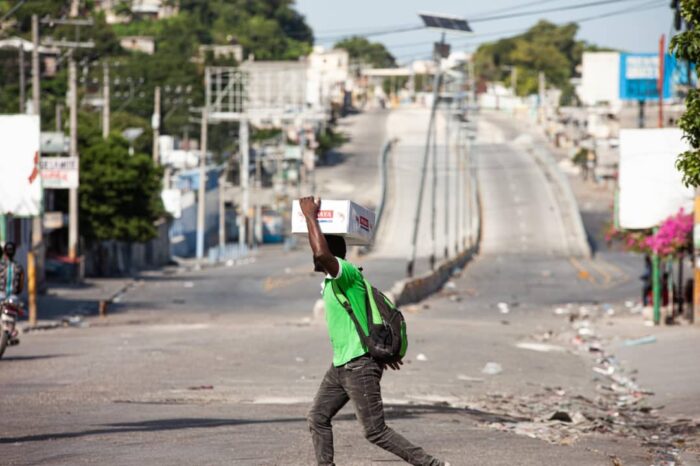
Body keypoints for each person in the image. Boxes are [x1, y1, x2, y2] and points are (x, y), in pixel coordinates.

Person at [299, 197, 446, 466]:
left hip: (358, 366)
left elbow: (321, 254)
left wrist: (310, 216)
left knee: (375, 431)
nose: (313, 253)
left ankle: (433, 465)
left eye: (316, 245)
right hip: (341, 365)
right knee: (317, 417)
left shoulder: (347, 273)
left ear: (331, 252)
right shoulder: (332, 284)